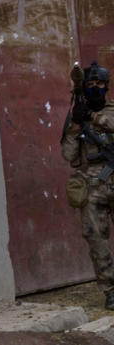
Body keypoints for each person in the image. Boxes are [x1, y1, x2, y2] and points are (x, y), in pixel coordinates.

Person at [61, 61, 114, 310]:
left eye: (99, 84)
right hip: (92, 187)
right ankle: (110, 290)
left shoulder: (111, 110)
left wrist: (94, 117)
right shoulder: (77, 118)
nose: (95, 88)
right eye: (90, 84)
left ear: (106, 86)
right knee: (96, 241)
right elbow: (69, 156)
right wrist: (75, 127)